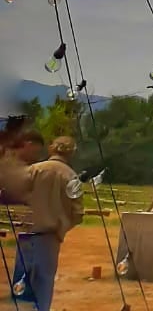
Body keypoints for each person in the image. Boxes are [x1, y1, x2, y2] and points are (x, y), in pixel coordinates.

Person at [0, 133, 84, 311]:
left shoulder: (34, 169)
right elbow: (78, 213)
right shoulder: (72, 178)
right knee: (43, 285)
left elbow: (11, 190)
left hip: (27, 233)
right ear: (71, 153)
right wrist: (62, 226)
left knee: (22, 283)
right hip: (50, 237)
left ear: (52, 148)